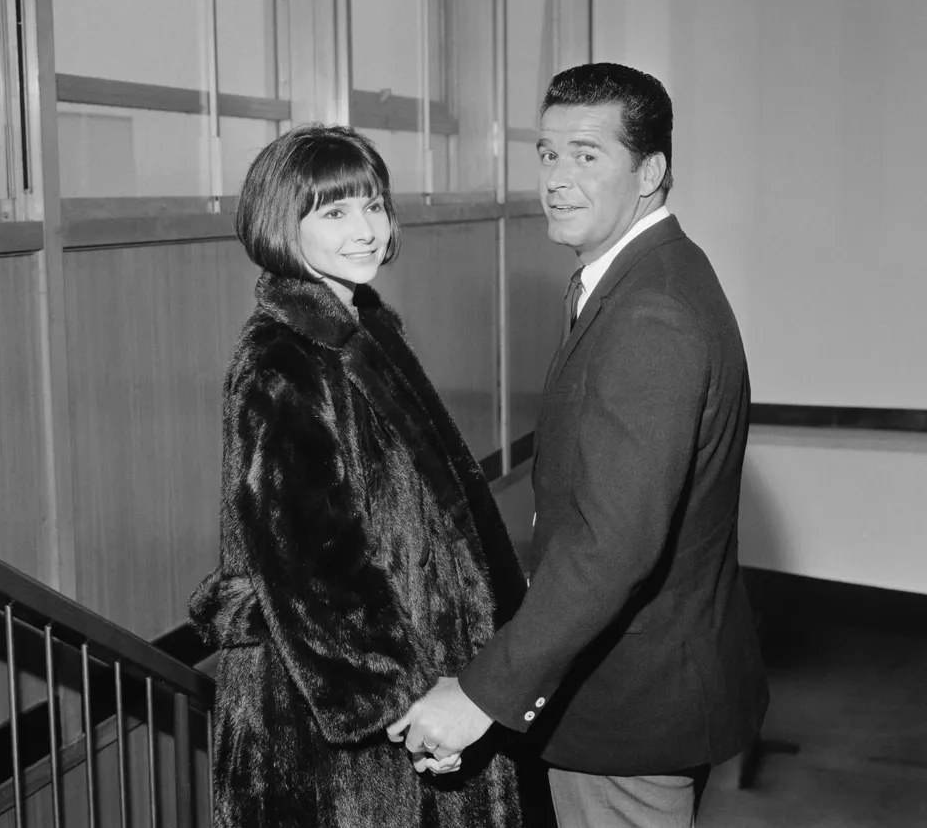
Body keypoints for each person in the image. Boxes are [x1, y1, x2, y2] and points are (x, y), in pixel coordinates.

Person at [389, 63, 769, 827]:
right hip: (646, 682)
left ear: (651, 171)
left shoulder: (650, 313)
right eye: (547, 153)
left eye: (587, 155)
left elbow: (611, 547)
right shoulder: (642, 276)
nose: (557, 179)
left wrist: (477, 693)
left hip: (630, 707)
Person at [188, 124, 535, 828]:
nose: (367, 229)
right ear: (281, 224)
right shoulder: (280, 361)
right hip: (329, 725)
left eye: (373, 204)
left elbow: (452, 498)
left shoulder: (368, 329)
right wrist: (410, 702)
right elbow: (315, 565)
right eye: (335, 211)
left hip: (426, 667)